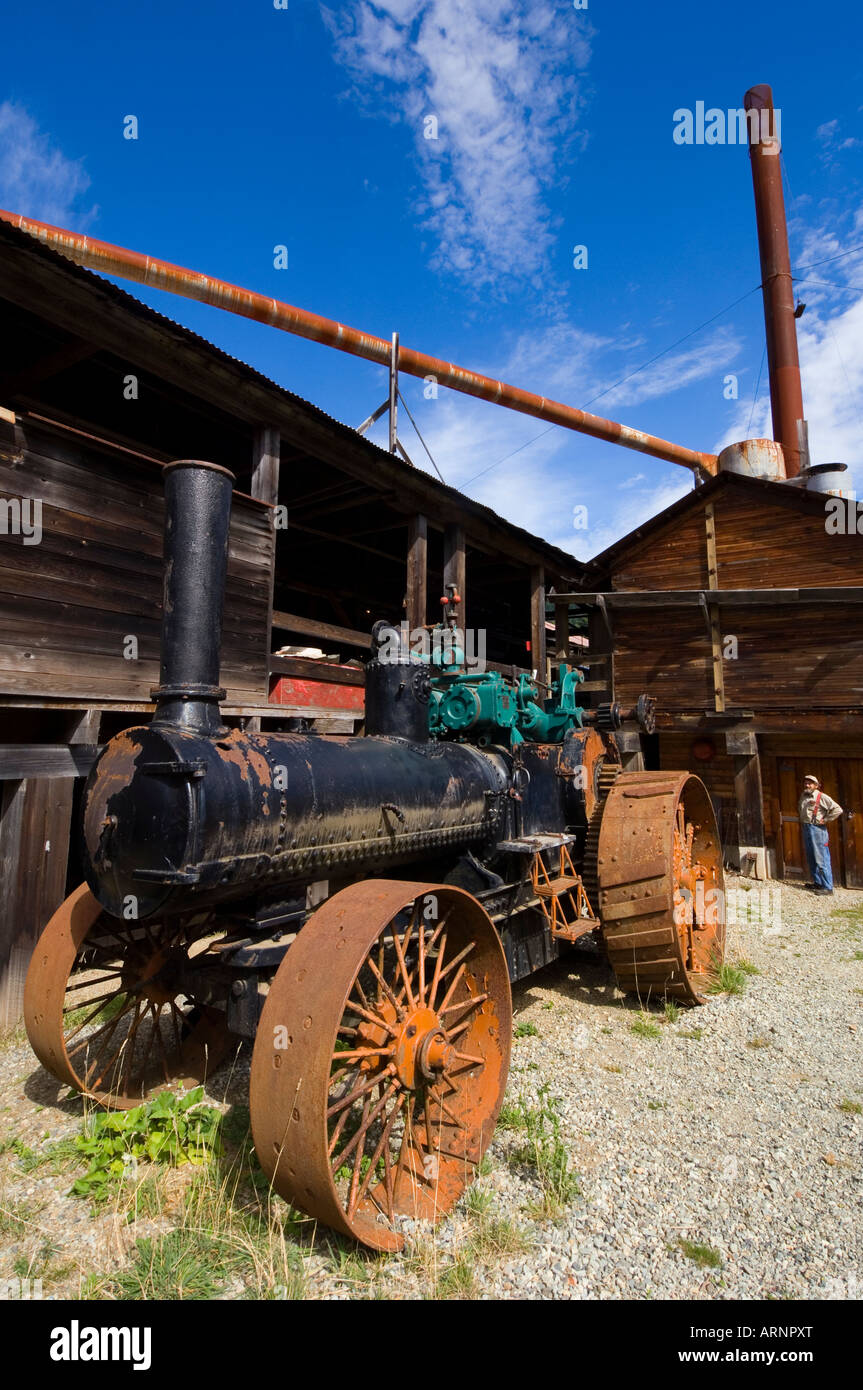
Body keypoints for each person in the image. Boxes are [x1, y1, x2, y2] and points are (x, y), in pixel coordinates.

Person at [798, 774, 843, 895]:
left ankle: (828, 887)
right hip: (807, 827)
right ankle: (818, 883)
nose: (807, 785)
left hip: (818, 829)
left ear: (816, 785)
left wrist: (826, 819)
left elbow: (838, 809)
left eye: (810, 783)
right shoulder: (804, 796)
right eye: (806, 783)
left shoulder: (822, 797)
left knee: (821, 858)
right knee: (811, 857)